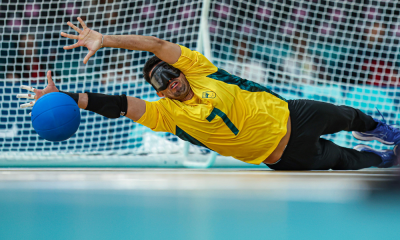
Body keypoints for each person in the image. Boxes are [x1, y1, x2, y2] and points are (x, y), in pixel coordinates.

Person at [18, 17, 400, 170]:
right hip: (283, 157)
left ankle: (380, 129)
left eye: (170, 73)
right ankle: (382, 156)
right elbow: (117, 105)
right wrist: (64, 97)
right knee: (358, 163)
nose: (170, 82)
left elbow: (154, 44)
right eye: (161, 83)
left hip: (293, 114)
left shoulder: (201, 70)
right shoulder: (166, 115)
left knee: (349, 115)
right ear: (161, 94)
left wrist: (106, 39)